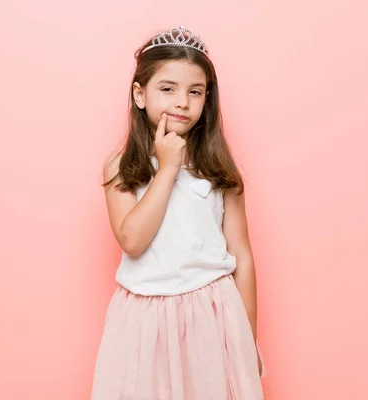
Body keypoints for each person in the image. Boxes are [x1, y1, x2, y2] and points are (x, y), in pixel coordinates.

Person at [91, 25, 267, 400]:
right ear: (140, 94)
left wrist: (246, 339)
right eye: (167, 89)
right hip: (144, 320)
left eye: (195, 92)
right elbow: (133, 240)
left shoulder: (217, 168)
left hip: (212, 312)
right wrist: (168, 169)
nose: (182, 102)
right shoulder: (120, 166)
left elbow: (243, 256)